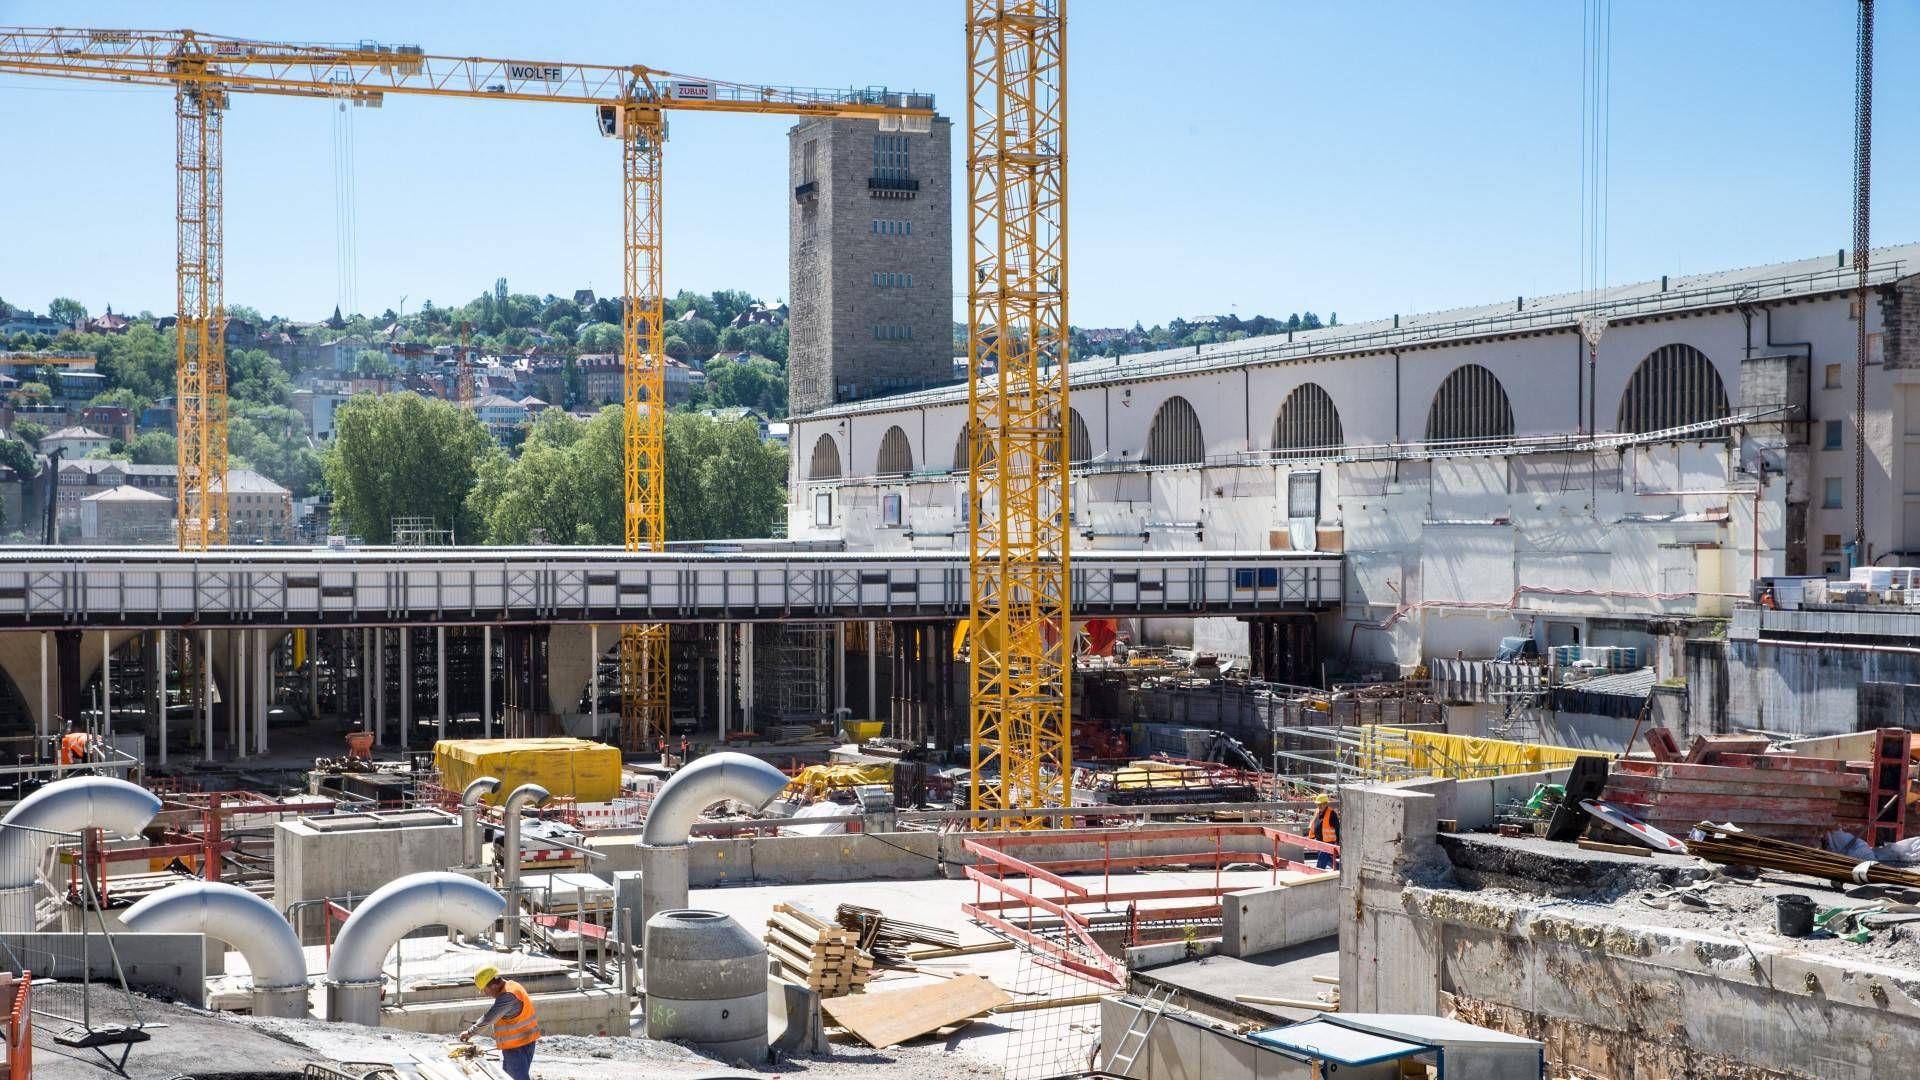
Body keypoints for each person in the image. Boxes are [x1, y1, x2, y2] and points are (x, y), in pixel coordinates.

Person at [459, 965, 540, 1080]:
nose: (485, 994)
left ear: (493, 985)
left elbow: (489, 1017)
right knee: (507, 1077)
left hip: (517, 1046)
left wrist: (470, 1032)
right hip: (521, 1043)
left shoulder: (508, 996)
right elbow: (494, 1014)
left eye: (484, 989)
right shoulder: (512, 987)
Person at [1308, 793, 1340, 869]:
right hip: (1319, 841)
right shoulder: (1317, 811)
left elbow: (1337, 828)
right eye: (1318, 804)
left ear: (1326, 804)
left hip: (1328, 843)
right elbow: (1313, 825)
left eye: (1321, 804)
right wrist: (1311, 838)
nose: (1319, 806)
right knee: (1328, 860)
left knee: (1320, 864)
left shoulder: (1332, 813)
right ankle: (1340, 868)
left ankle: (1317, 876)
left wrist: (1338, 841)